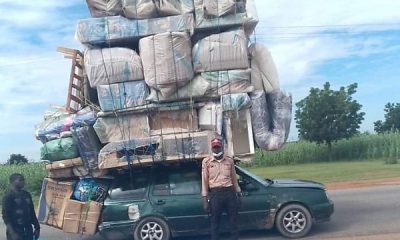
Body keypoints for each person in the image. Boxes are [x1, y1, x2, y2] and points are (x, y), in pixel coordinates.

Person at [201, 137, 242, 240]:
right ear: (212, 148)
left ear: (222, 147)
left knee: (233, 220)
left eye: (218, 147)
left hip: (229, 193)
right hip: (215, 194)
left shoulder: (229, 160)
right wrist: (205, 199)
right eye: (214, 147)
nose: (216, 149)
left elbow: (234, 177)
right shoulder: (207, 162)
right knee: (215, 222)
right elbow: (204, 180)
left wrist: (238, 193)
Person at [2, 173, 40, 240]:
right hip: (15, 230)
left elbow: (32, 212)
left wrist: (37, 228)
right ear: (13, 181)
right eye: (21, 180)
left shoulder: (27, 195)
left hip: (28, 230)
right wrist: (12, 233)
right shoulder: (8, 197)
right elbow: (6, 216)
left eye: (23, 180)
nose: (23, 182)